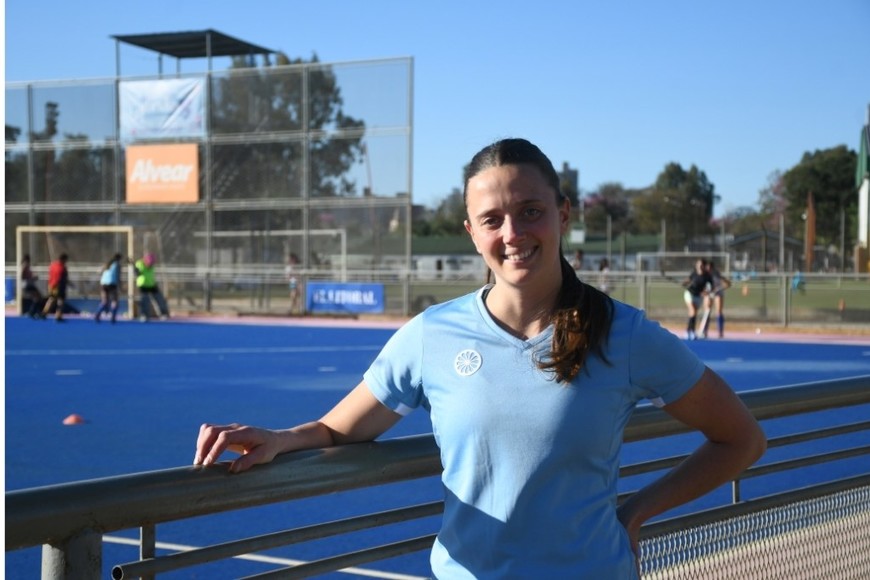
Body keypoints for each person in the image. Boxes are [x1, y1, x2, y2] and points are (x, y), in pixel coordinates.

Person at [194, 138, 766, 578]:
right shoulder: (431, 335)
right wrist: (278, 438)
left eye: (531, 211)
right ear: (472, 232)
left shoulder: (624, 333)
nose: (513, 233)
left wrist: (637, 511)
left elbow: (740, 438)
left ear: (563, 214)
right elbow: (336, 429)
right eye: (493, 219)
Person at [133, 252, 170, 321]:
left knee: (160, 299)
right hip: (143, 285)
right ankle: (144, 315)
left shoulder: (152, 266)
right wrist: (136, 271)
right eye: (149, 263)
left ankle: (163, 313)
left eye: (152, 263)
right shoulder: (139, 264)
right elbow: (137, 272)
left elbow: (151, 275)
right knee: (145, 300)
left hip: (152, 284)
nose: (150, 265)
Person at [681, 259, 712, 340]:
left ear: (704, 266)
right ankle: (690, 332)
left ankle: (689, 331)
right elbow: (687, 281)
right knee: (693, 311)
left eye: (701, 264)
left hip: (698, 297)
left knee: (693, 314)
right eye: (698, 264)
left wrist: (706, 292)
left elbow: (710, 287)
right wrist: (684, 283)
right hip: (689, 294)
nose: (699, 266)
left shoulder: (707, 276)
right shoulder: (694, 274)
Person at [702, 260, 732, 339]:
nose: (708, 269)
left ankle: (720, 332)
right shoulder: (704, 275)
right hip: (709, 294)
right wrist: (706, 293)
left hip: (718, 294)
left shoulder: (716, 275)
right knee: (707, 311)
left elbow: (727, 284)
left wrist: (718, 289)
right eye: (706, 267)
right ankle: (704, 331)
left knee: (719, 311)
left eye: (710, 267)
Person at [41, 253, 70, 322]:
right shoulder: (62, 267)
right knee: (60, 301)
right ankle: (58, 316)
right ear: (64, 259)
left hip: (51, 285)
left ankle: (44, 313)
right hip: (59, 286)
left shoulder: (52, 265)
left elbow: (50, 274)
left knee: (51, 299)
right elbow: (61, 278)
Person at [95, 253, 122, 323]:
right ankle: (113, 317)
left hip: (103, 283)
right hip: (112, 284)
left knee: (104, 301)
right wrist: (120, 286)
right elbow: (118, 276)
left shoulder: (107, 264)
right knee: (114, 301)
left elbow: (99, 271)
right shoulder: (117, 265)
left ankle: (98, 314)